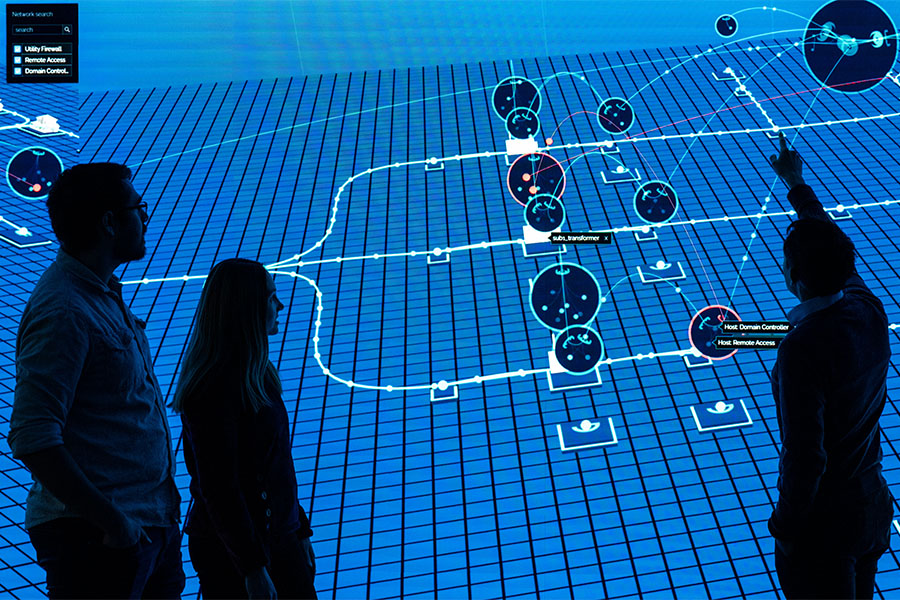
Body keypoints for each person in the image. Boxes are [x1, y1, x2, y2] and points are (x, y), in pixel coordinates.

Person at [7, 162, 184, 599]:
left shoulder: (99, 292)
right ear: (109, 222)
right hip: (100, 541)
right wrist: (113, 522)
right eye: (137, 209)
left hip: (144, 527)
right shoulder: (64, 309)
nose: (145, 220)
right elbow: (33, 436)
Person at [767, 132, 894, 599]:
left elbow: (807, 455)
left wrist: (787, 525)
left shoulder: (802, 349)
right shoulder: (868, 309)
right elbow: (830, 241)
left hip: (825, 524)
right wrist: (797, 185)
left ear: (794, 279)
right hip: (871, 506)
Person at [171, 258, 317, 599]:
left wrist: (299, 528)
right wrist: (252, 568)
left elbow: (277, 464)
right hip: (236, 554)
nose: (279, 306)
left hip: (281, 539)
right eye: (270, 298)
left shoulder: (261, 375)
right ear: (247, 309)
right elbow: (219, 489)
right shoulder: (210, 391)